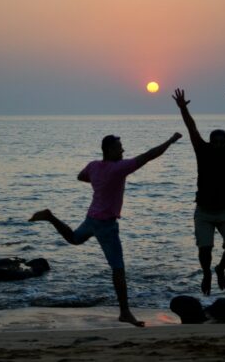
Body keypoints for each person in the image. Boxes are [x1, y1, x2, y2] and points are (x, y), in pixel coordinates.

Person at [29, 132, 182, 327]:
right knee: (118, 269)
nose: (123, 150)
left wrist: (99, 182)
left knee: (75, 239)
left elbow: (80, 176)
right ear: (110, 150)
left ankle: (50, 217)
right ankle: (125, 312)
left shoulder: (94, 166)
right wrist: (170, 141)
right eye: (119, 147)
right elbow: (149, 155)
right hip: (106, 225)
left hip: (92, 218)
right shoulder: (119, 168)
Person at [172, 87, 225, 295]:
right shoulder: (203, 151)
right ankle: (207, 272)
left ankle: (221, 269)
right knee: (205, 250)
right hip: (204, 211)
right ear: (210, 142)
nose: (217, 145)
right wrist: (182, 108)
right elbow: (192, 128)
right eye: (214, 142)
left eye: (221, 142)